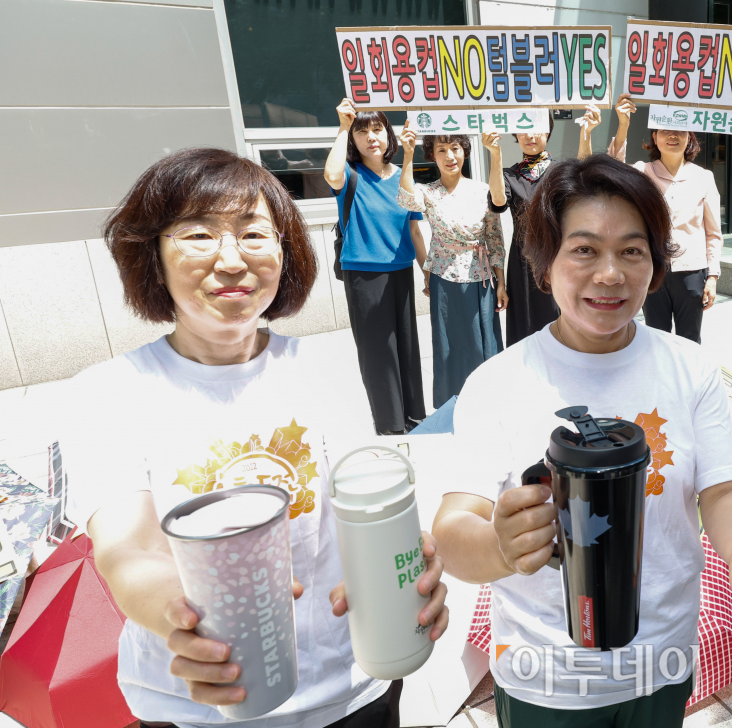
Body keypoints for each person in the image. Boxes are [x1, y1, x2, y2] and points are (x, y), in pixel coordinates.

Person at [64, 148, 450, 728]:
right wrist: (183, 615)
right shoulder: (108, 392)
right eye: (198, 235)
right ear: (153, 257)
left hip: (349, 691)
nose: (230, 260)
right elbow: (127, 549)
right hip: (196, 704)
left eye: (253, 234)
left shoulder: (324, 365)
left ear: (284, 251)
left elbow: (359, 508)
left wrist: (404, 570)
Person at [430, 154, 732, 728]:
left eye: (632, 250)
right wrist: (500, 546)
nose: (610, 273)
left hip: (662, 661)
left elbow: (722, 490)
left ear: (655, 265)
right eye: (585, 249)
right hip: (546, 674)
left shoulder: (690, 369)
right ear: (546, 264)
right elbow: (453, 527)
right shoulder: (499, 381)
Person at [578, 94, 722, 343]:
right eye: (664, 130)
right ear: (654, 137)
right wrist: (623, 123)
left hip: (691, 271)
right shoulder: (642, 173)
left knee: (690, 338)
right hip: (652, 269)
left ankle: (688, 382)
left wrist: (712, 277)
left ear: (689, 138)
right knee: (655, 337)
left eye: (679, 130)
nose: (672, 136)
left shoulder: (704, 177)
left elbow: (713, 232)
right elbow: (612, 168)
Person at [323, 99, 428, 434]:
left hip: (401, 271)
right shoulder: (351, 176)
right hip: (364, 273)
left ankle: (413, 415)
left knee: (407, 348)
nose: (371, 137)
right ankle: (390, 424)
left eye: (377, 129)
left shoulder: (402, 176)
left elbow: (414, 227)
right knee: (378, 351)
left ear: (388, 134)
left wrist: (427, 271)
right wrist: (342, 126)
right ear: (353, 140)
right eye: (362, 131)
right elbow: (331, 174)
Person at [397, 123, 508, 408]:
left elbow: (494, 238)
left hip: (480, 278)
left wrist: (501, 282)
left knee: (481, 342)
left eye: (455, 148)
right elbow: (406, 200)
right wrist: (407, 154)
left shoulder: (483, 190)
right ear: (432, 155)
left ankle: (488, 400)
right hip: (444, 279)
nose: (450, 156)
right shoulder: (428, 192)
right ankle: (453, 403)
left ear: (465, 151)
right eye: (441, 150)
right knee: (448, 346)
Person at [488, 117, 561, 346]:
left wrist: (586, 135)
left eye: (537, 129)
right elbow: (498, 203)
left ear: (548, 131)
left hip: (556, 258)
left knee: (560, 321)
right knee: (526, 329)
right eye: (523, 130)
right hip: (523, 263)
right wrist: (495, 154)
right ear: (516, 135)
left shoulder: (560, 171)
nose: (530, 136)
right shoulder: (510, 176)